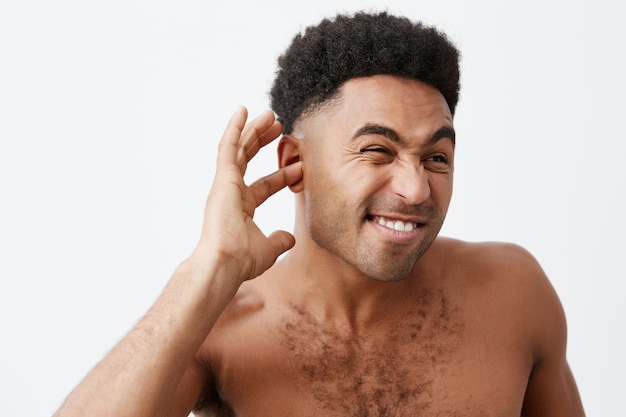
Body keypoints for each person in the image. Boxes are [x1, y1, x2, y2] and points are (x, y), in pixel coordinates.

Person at [53, 11, 585, 417]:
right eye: (377, 151)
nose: (416, 186)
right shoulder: (221, 329)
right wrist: (210, 267)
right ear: (294, 162)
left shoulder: (514, 294)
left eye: (436, 157)